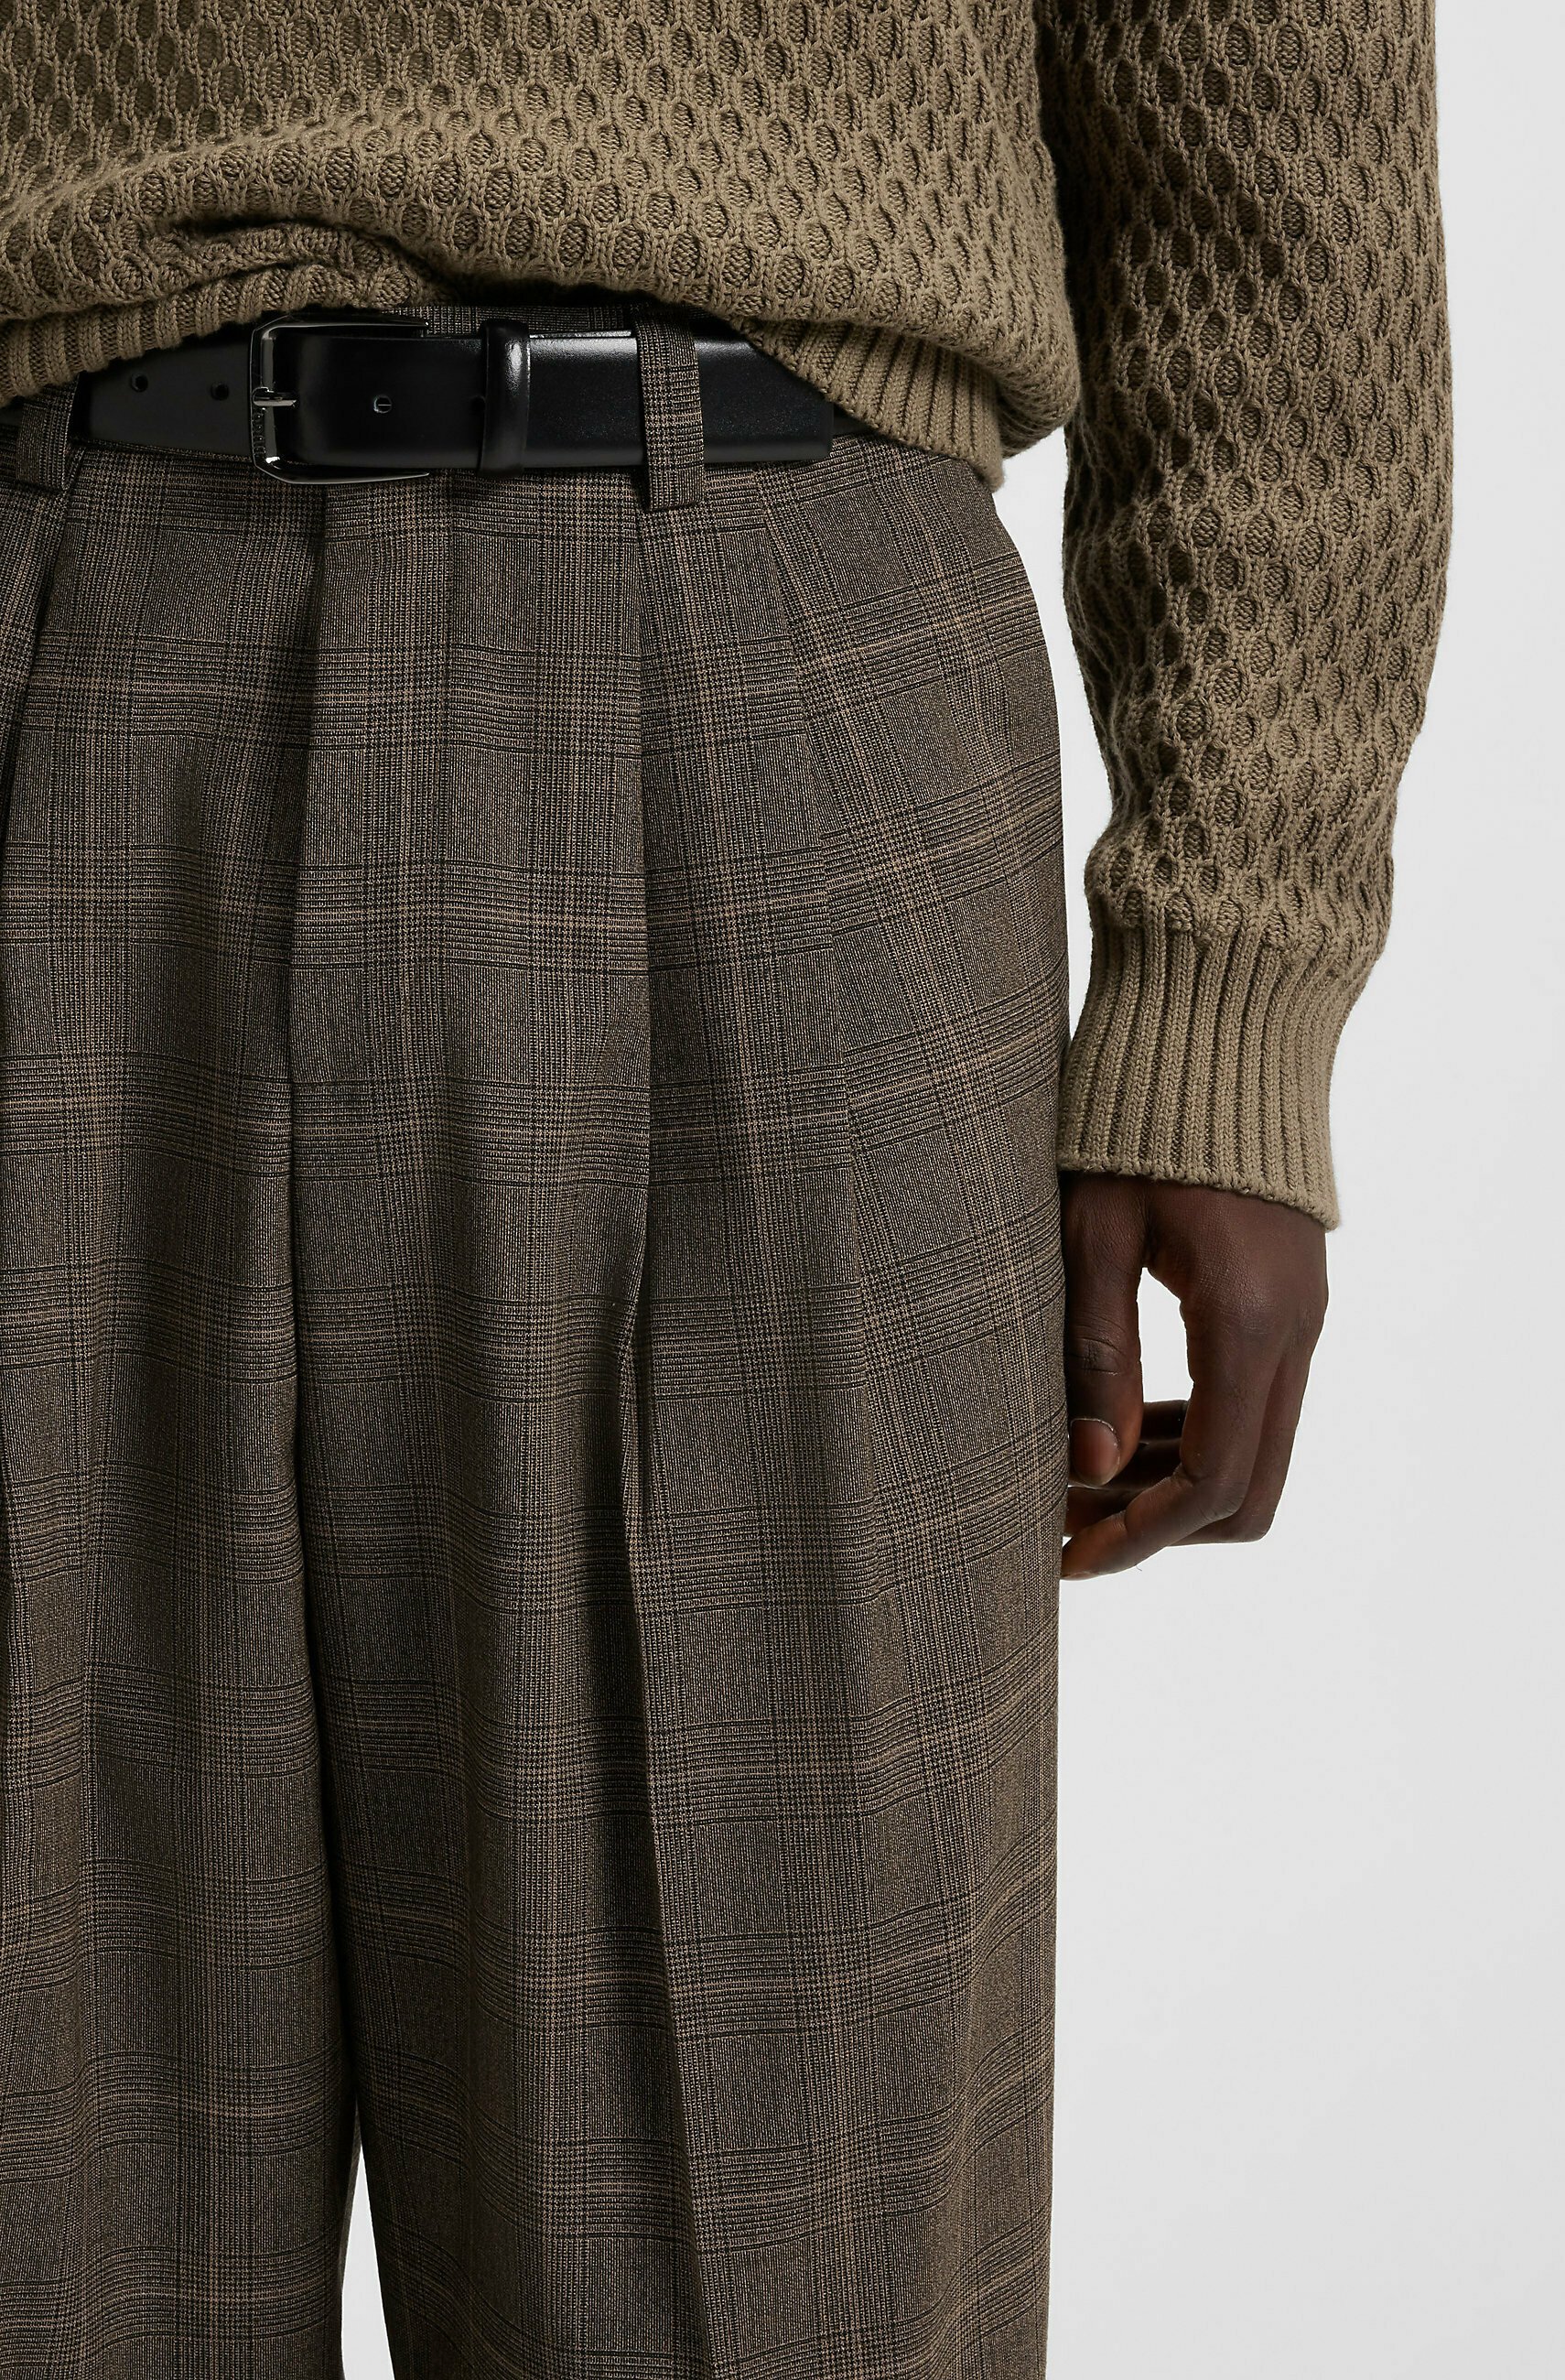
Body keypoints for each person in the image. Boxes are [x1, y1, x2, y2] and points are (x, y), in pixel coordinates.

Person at [0, 4, 1452, 2373]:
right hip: (49, 619)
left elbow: (1282, 163)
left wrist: (1230, 979)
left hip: (778, 681)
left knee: (770, 2251)